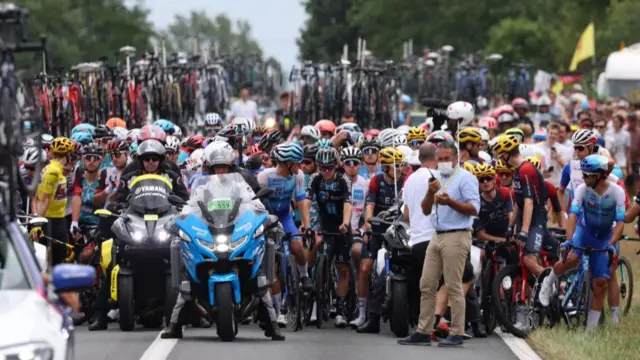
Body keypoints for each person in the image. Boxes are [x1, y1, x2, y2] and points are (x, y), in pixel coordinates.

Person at [161, 141, 285, 340]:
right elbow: (189, 209)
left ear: (231, 168)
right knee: (188, 281)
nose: (220, 171)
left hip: (235, 235)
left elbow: (256, 206)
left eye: (224, 168)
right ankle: (174, 324)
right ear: (210, 169)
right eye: (217, 168)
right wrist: (179, 220)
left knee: (260, 281)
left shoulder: (241, 187)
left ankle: (272, 324)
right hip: (211, 235)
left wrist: (264, 216)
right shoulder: (202, 190)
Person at [398, 140, 479, 347]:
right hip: (437, 233)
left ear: (455, 158)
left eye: (446, 158)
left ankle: (457, 331)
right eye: (439, 159)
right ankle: (423, 330)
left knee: (453, 284)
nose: (442, 162)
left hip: (457, 234)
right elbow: (425, 210)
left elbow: (474, 208)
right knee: (427, 283)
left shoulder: (465, 178)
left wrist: (450, 202)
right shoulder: (436, 179)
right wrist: (429, 193)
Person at [538, 155, 624, 329]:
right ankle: (549, 281)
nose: (583, 179)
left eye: (587, 175)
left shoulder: (617, 192)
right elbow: (573, 215)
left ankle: (590, 331)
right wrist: (569, 240)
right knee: (570, 260)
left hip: (605, 238)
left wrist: (611, 243)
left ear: (600, 175)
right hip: (584, 232)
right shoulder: (583, 190)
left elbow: (621, 222)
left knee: (600, 284)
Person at [32, 137, 75, 266]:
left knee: (60, 258)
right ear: (67, 155)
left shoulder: (55, 169)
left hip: (58, 219)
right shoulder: (53, 172)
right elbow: (43, 198)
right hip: (51, 221)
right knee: (57, 260)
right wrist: (38, 224)